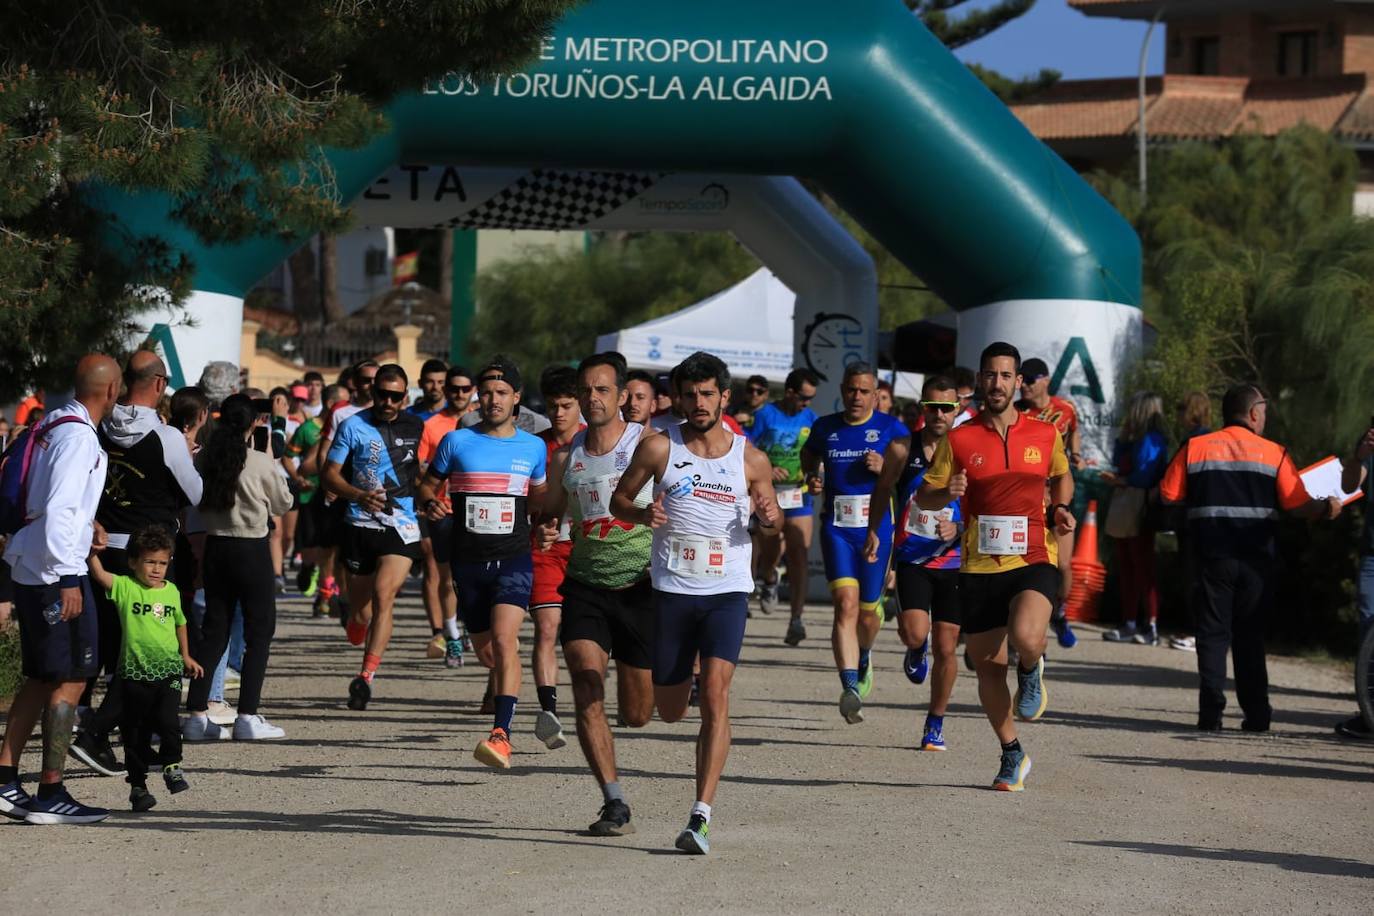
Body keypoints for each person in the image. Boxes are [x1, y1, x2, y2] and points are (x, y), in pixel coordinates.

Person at [611, 351, 780, 855]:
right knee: (667, 710)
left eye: (708, 394)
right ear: (679, 399)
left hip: (727, 591)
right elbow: (620, 500)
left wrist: (768, 516)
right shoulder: (659, 447)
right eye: (691, 395)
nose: (700, 402)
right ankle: (684, 681)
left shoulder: (750, 459)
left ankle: (700, 815)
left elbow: (770, 520)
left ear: (724, 396)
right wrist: (644, 515)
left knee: (717, 696)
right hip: (673, 592)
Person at [919, 342, 1075, 792]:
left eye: (1006, 375)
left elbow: (1062, 474)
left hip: (1033, 555)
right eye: (990, 375)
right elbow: (925, 496)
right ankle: (1012, 752)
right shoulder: (959, 438)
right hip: (980, 565)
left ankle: (1031, 665)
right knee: (988, 667)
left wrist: (1060, 507)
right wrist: (947, 491)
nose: (997, 383)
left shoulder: (1044, 433)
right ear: (980, 381)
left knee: (1026, 636)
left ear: (1018, 382)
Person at [1160, 383, 1341, 732]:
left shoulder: (1195, 447)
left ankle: (1210, 714)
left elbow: (1168, 494)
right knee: (1250, 636)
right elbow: (1296, 503)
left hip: (1211, 556)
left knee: (1212, 635)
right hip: (1256, 560)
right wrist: (1326, 509)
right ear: (1254, 413)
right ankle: (1257, 716)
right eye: (1265, 412)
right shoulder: (1274, 453)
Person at [537, 353, 658, 836]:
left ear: (622, 395)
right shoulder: (566, 457)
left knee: (637, 714)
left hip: (641, 588)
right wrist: (545, 527)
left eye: (603, 389)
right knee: (587, 688)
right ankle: (614, 802)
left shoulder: (649, 444)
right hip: (585, 587)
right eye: (586, 390)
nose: (593, 398)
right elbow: (549, 510)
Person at [69, 350, 203, 778]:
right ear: (160, 384)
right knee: (151, 649)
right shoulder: (166, 438)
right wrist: (188, 455)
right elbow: (196, 493)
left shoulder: (101, 424)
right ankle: (103, 735)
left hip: (102, 548)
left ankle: (111, 731)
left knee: (113, 644)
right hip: (151, 555)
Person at [0, 353, 120, 825]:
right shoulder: (78, 436)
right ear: (110, 391)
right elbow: (60, 507)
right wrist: (71, 576)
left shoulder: (52, 424)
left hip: (34, 562)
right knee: (71, 676)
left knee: (41, 676)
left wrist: (90, 524)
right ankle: (50, 792)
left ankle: (5, 778)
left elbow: (53, 501)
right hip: (56, 572)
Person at [419, 356, 547, 769]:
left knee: (507, 641)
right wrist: (430, 504)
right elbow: (426, 487)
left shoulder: (533, 447)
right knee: (488, 652)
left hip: (513, 559)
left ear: (516, 397)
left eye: (502, 393)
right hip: (468, 562)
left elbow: (540, 502)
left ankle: (501, 734)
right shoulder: (457, 441)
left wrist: (548, 526)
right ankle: (504, 684)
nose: (494, 400)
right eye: (487, 393)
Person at [801, 362, 911, 724]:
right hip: (837, 528)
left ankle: (864, 654)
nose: (857, 397)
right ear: (842, 390)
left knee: (866, 613)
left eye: (864, 391)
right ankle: (849, 687)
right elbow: (809, 455)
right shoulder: (825, 427)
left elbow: (912, 478)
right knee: (844, 606)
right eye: (851, 389)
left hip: (876, 529)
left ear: (876, 394)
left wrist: (887, 469)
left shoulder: (892, 429)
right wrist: (812, 476)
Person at [184, 394, 293, 741]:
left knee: (214, 631)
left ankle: (196, 714)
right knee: (259, 633)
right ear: (253, 423)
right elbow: (283, 502)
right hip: (251, 548)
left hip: (216, 546)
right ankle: (247, 714)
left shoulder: (206, 458)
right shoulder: (259, 461)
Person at [865, 376, 963, 751]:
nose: (939, 414)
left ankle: (935, 722)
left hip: (955, 561)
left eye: (946, 408)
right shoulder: (902, 448)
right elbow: (883, 489)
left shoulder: (969, 449)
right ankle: (915, 647)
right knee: (915, 634)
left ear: (956, 410)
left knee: (947, 647)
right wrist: (875, 530)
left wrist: (960, 527)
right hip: (913, 558)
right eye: (932, 407)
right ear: (923, 408)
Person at [323, 364, 425, 711]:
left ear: (405, 397)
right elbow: (329, 474)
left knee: (385, 596)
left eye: (396, 396)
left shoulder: (416, 425)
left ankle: (365, 677)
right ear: (373, 392)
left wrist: (432, 496)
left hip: (401, 525)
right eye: (383, 394)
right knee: (362, 612)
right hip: (360, 524)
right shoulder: (353, 425)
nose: (388, 402)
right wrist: (357, 495)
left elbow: (421, 469)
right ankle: (353, 618)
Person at [87, 526, 203, 811]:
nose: (156, 569)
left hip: (169, 672)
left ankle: (172, 766)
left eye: (162, 563)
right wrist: (90, 553)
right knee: (135, 734)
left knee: (168, 722)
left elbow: (180, 623)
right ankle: (138, 788)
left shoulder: (171, 591)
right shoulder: (126, 587)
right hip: (134, 674)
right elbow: (100, 575)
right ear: (133, 562)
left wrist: (186, 656)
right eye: (150, 562)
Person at [526, 365, 584, 749]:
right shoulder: (533, 446)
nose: (558, 413)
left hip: (590, 550)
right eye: (552, 406)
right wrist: (535, 523)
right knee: (547, 629)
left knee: (581, 639)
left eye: (566, 405)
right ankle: (549, 712)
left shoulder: (597, 444)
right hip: (545, 549)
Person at [744, 368, 819, 639]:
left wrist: (816, 475)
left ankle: (796, 619)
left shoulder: (811, 419)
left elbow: (817, 455)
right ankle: (769, 577)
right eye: (803, 397)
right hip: (768, 493)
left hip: (799, 493)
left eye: (810, 398)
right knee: (770, 550)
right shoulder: (765, 415)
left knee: (799, 554)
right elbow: (747, 448)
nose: (807, 403)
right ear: (789, 392)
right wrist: (767, 468)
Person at [1101, 392, 1169, 645]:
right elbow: (1119, 460)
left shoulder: (1152, 439)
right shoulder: (1135, 438)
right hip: (1127, 501)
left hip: (1139, 503)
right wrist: (1123, 437)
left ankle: (1150, 624)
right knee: (1128, 565)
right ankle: (1129, 621)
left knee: (1142, 565)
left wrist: (1120, 480)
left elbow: (1144, 475)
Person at [417, 367, 474, 665]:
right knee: (448, 576)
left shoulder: (483, 422)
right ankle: (451, 637)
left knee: (477, 574)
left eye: (465, 389)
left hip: (477, 511)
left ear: (473, 390)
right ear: (446, 390)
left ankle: (472, 627)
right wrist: (428, 498)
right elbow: (418, 468)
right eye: (454, 388)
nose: (459, 394)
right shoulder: (432, 425)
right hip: (443, 510)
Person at [1337, 420, 1374, 739]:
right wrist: (1359, 456)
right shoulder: (1370, 442)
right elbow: (1349, 486)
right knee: (1369, 629)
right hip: (1373, 555)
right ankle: (1369, 712)